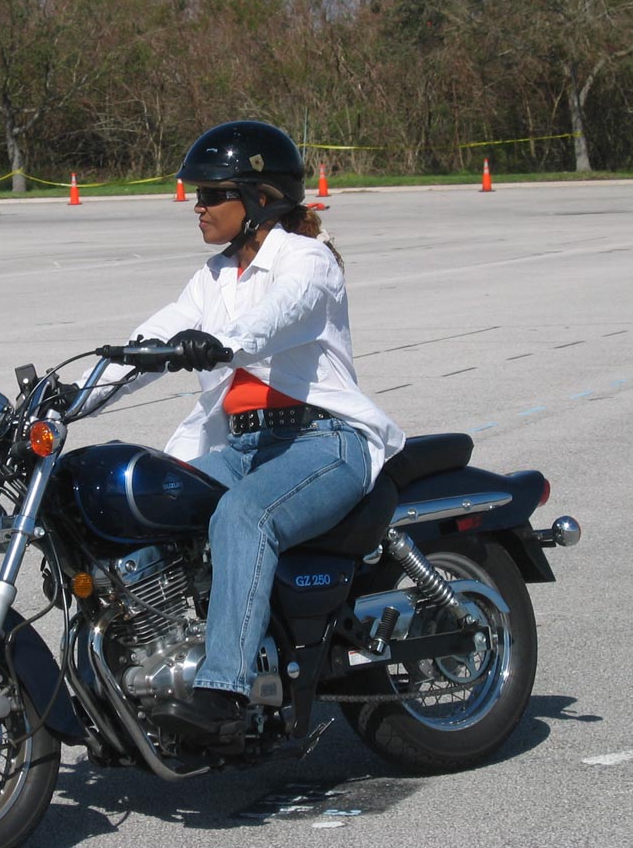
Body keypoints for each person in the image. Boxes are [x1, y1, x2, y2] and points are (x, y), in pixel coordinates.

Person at [89, 121, 406, 743]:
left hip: (322, 441)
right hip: (242, 446)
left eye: (213, 194)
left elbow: (277, 316)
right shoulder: (213, 277)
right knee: (144, 511)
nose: (198, 206)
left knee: (243, 516)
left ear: (260, 198)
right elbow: (151, 341)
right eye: (197, 195)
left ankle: (225, 691)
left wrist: (220, 343)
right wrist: (73, 397)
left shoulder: (307, 260)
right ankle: (143, 674)